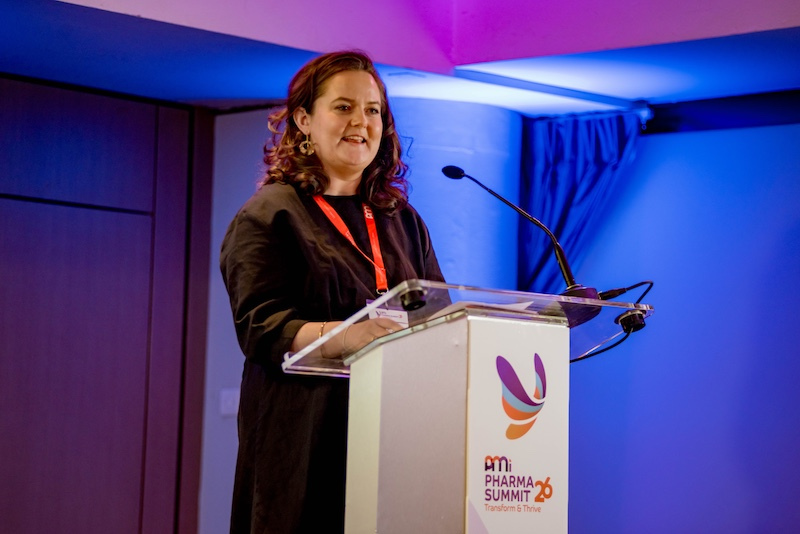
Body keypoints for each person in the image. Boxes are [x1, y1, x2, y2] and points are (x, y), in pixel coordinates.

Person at [219, 50, 445, 533]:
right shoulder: (270, 215)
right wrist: (344, 336)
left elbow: (436, 317)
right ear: (304, 120)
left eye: (372, 110)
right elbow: (261, 327)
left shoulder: (401, 220)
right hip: (306, 442)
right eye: (343, 107)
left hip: (397, 436)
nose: (361, 121)